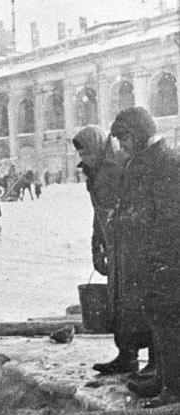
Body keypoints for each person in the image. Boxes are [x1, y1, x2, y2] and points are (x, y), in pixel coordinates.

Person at [109, 107, 180, 408]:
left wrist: (163, 258)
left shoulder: (166, 163)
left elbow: (170, 217)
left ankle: (174, 389)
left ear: (138, 133)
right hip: (151, 257)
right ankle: (163, 378)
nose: (121, 145)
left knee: (170, 322)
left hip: (167, 258)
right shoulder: (147, 161)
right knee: (157, 318)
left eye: (124, 138)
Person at [73, 126, 153, 379]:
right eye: (81, 154)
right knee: (118, 300)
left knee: (139, 301)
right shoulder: (94, 171)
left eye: (86, 152)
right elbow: (99, 214)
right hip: (113, 244)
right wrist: (97, 243)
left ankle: (153, 359)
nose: (84, 158)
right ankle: (126, 355)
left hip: (132, 245)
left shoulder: (120, 166)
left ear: (98, 147)